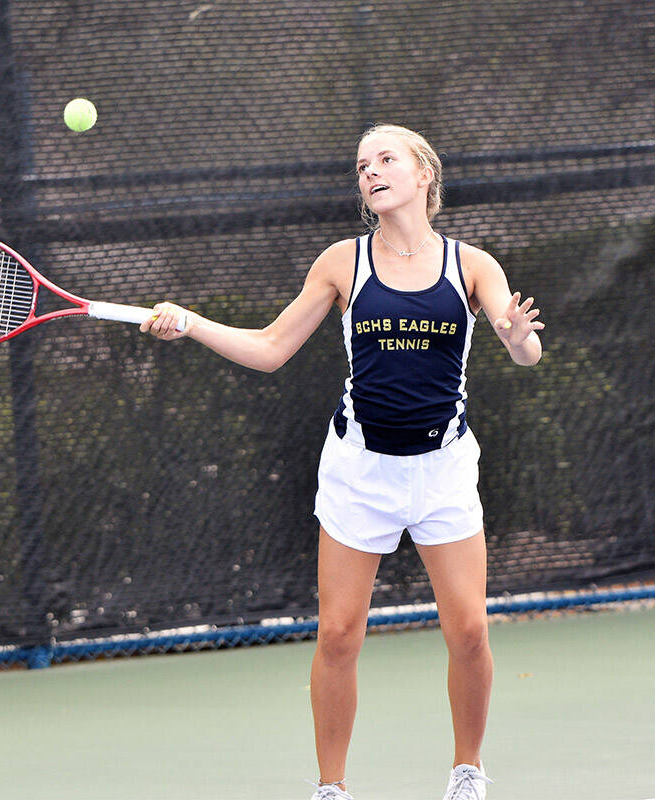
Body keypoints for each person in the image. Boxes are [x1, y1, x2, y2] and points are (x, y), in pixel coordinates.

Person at [141, 123, 543, 800]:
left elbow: (521, 348)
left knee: (470, 630)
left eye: (387, 159)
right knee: (337, 634)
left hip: (443, 470)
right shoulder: (342, 263)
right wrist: (193, 323)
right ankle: (331, 788)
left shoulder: (472, 265)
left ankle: (467, 772)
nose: (372, 171)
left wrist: (519, 339)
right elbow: (271, 348)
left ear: (423, 175)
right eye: (363, 164)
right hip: (360, 471)